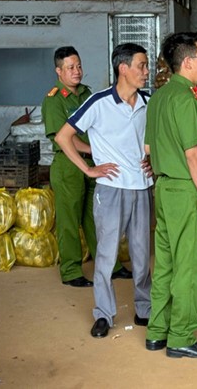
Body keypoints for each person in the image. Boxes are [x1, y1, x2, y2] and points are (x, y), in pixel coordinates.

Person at [54, 43, 154, 338]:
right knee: (107, 255)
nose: (146, 72)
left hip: (142, 187)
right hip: (110, 189)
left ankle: (143, 309)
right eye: (142, 66)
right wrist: (88, 169)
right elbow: (63, 137)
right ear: (123, 68)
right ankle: (103, 314)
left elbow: (154, 138)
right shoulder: (98, 102)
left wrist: (152, 159)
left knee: (141, 254)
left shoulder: (149, 101)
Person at [145, 31, 197, 359]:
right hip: (185, 190)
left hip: (163, 189)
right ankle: (181, 336)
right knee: (189, 265)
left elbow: (148, 149)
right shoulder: (187, 98)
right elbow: (192, 155)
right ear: (188, 62)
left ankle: (156, 331)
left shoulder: (160, 97)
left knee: (164, 264)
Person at [42, 46, 131, 287]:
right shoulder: (54, 100)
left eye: (79, 65)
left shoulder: (87, 94)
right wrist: (94, 150)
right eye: (70, 67)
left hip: (94, 165)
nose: (77, 71)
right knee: (69, 220)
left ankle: (110, 265)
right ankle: (71, 270)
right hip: (68, 165)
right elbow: (63, 137)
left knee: (97, 218)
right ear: (58, 71)